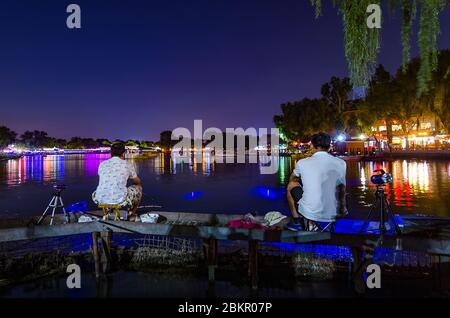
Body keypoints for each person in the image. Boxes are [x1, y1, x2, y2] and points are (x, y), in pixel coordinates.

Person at [286, 132, 347, 231]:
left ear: (312, 146)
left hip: (312, 213)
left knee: (291, 185)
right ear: (329, 147)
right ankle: (314, 223)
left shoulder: (302, 163)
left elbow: (292, 179)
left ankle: (297, 222)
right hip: (338, 212)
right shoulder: (342, 163)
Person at [92, 142, 143, 221]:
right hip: (119, 199)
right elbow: (137, 181)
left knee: (108, 188)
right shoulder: (127, 164)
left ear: (111, 153)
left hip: (99, 198)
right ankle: (131, 214)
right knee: (138, 188)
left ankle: (107, 213)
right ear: (123, 154)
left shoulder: (102, 164)